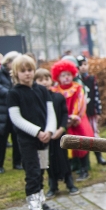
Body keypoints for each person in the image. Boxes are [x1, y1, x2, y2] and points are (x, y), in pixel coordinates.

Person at [6, 55, 59, 210]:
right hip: (27, 141)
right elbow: (16, 118)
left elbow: (51, 113)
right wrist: (37, 132)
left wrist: (49, 131)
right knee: (32, 173)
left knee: (42, 170)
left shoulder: (42, 90)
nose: (27, 74)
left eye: (30, 70)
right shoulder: (13, 93)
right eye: (23, 71)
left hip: (44, 139)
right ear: (16, 73)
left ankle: (41, 203)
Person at [34, 69, 79, 197]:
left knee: (63, 158)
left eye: (46, 79)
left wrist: (61, 129)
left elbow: (65, 114)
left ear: (51, 80)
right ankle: (52, 185)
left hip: (59, 135)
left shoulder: (58, 97)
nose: (44, 82)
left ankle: (69, 182)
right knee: (46, 161)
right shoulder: (36, 100)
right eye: (40, 80)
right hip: (43, 137)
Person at [50, 60, 94, 180]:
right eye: (63, 75)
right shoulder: (54, 90)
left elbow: (80, 103)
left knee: (81, 144)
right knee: (66, 146)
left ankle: (84, 169)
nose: (66, 78)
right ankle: (70, 167)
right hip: (62, 121)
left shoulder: (78, 88)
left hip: (77, 120)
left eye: (68, 75)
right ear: (58, 77)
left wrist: (73, 117)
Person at [77, 55, 106, 166]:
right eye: (80, 65)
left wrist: (98, 110)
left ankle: (99, 156)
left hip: (91, 112)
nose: (83, 67)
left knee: (94, 134)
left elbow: (96, 95)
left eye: (85, 64)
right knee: (83, 137)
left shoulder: (91, 79)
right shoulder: (76, 82)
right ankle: (84, 162)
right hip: (81, 114)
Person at [0, 51, 22, 174]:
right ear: (8, 62)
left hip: (15, 111)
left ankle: (17, 162)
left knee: (16, 138)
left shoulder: (16, 75)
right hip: (1, 112)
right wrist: (11, 95)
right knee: (1, 140)